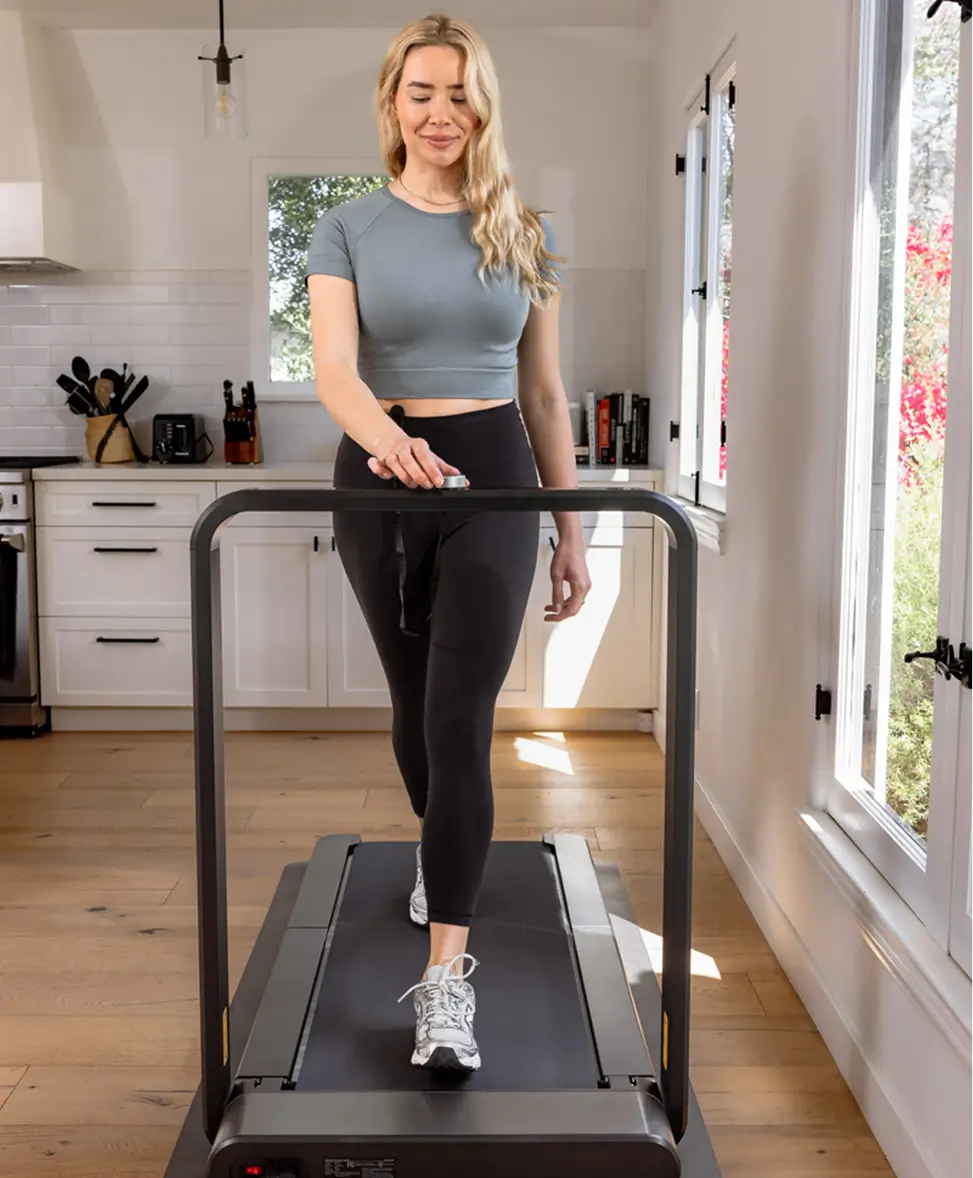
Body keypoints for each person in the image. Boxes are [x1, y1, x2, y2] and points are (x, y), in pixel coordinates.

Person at [305, 12, 591, 1075]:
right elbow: (336, 369)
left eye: (458, 94)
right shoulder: (345, 228)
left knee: (461, 713)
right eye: (420, 92)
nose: (440, 112)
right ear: (392, 104)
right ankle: (445, 848)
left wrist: (572, 529)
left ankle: (444, 982)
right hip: (377, 475)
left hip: (494, 474)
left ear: (483, 107)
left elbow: (546, 393)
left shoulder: (525, 228)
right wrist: (390, 443)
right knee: (413, 706)